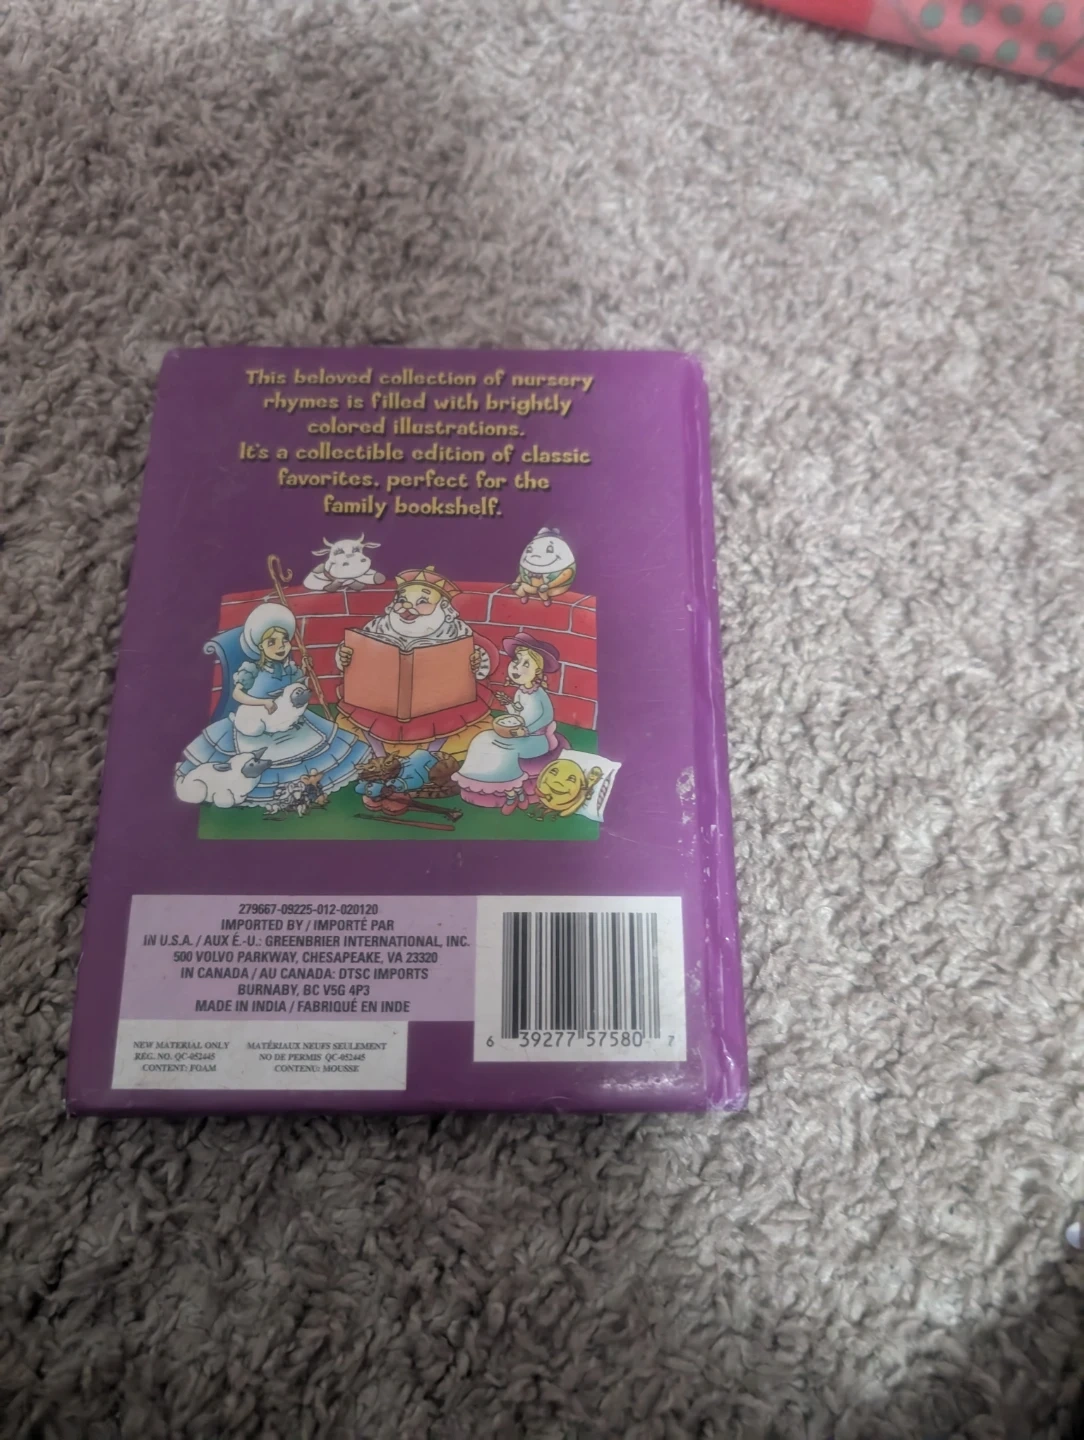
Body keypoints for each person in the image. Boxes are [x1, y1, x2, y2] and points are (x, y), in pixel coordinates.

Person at [175, 602, 368, 808]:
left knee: (311, 746)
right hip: (257, 721)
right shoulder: (252, 669)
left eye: (284, 640)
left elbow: (297, 689)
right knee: (259, 755)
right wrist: (262, 702)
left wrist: (305, 671)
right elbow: (237, 693)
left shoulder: (289, 668)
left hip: (287, 721)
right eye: (272, 642)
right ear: (260, 646)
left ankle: (304, 789)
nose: (280, 646)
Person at [453, 631, 560, 814]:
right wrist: (509, 704)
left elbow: (546, 717)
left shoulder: (539, 695)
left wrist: (526, 730)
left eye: (526, 664)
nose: (518, 667)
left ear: (537, 671)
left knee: (503, 751)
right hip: (517, 735)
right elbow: (517, 713)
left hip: (535, 740)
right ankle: (477, 781)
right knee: (482, 739)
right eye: (517, 661)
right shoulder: (520, 691)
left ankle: (513, 793)